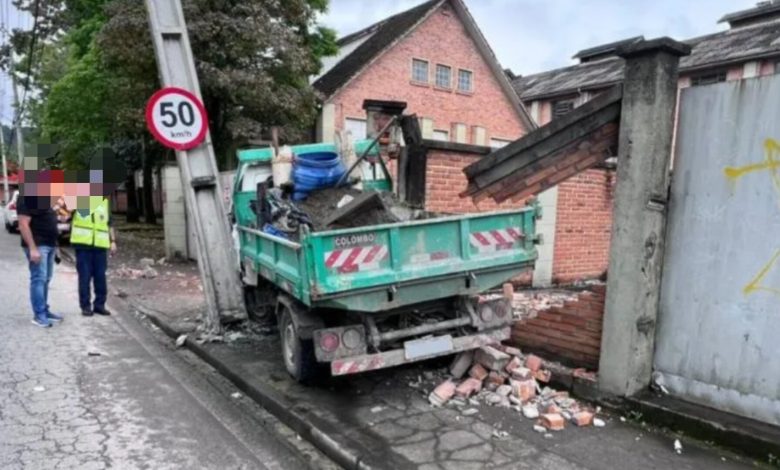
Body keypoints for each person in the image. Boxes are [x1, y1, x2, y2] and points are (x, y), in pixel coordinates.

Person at [17, 195, 64, 327]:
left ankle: (44, 310)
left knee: (46, 278)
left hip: (49, 245)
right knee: (38, 279)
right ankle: (39, 315)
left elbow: (47, 219)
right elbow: (23, 224)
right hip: (38, 245)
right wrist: (32, 248)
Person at [70, 197, 117, 316]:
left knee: (100, 277)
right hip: (83, 245)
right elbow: (65, 213)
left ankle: (99, 305)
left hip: (100, 246)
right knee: (85, 277)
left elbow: (109, 223)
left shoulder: (104, 202)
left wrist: (113, 241)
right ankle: (85, 306)